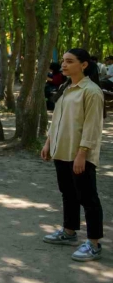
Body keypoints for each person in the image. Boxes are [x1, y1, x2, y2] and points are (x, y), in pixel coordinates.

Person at [41, 49, 104, 262]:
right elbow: (56, 119)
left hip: (80, 154)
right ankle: (69, 232)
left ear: (84, 65)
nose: (64, 65)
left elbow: (92, 126)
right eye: (63, 61)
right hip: (61, 150)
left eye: (69, 61)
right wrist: (48, 143)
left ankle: (94, 243)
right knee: (68, 193)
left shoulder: (91, 91)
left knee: (88, 197)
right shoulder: (65, 87)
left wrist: (82, 153)